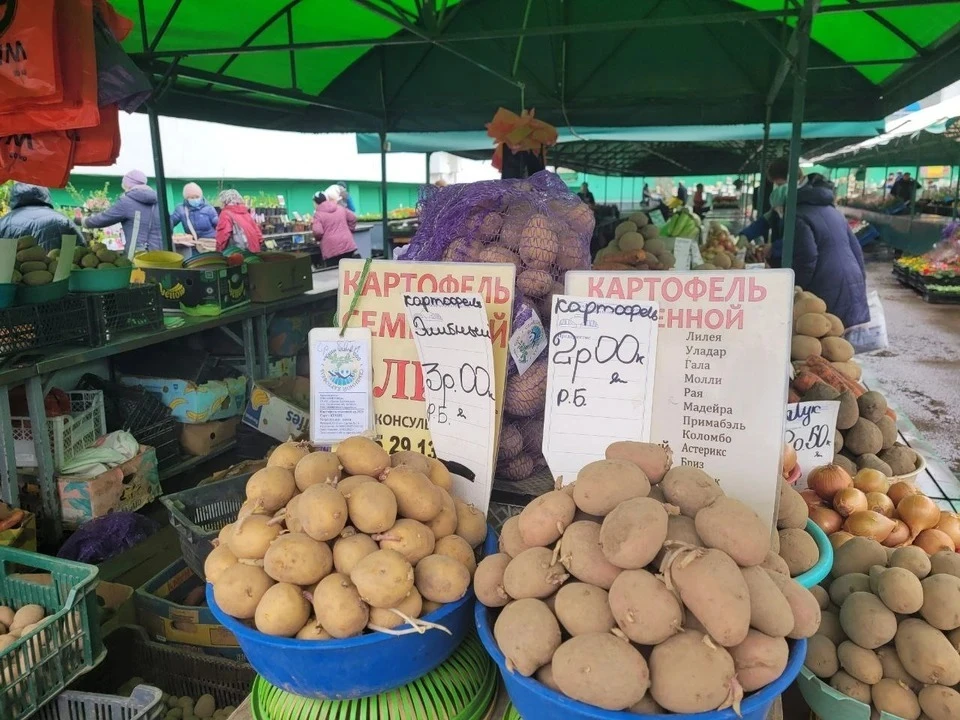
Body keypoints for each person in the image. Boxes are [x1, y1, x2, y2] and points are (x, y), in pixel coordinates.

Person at [771, 171, 868, 328]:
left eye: (778, 209)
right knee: (840, 340)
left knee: (825, 340)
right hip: (851, 282)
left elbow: (806, 258)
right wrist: (860, 284)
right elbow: (856, 250)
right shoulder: (834, 212)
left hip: (826, 286)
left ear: (785, 205)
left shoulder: (798, 217)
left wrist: (795, 289)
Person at [79, 170, 163, 251]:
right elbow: (169, 222)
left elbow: (104, 218)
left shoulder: (126, 202)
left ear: (127, 184)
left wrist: (82, 221)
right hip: (163, 253)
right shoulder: (160, 201)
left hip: (139, 254)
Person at [0, 183, 81, 251]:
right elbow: (81, 250)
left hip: (13, 270)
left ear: (15, 195)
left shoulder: (4, 222)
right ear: (45, 193)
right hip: (57, 269)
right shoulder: (63, 220)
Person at [312, 185, 358, 266]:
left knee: (334, 275)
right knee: (349, 272)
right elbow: (353, 218)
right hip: (347, 244)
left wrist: (318, 239)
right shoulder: (340, 208)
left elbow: (318, 231)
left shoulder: (318, 215)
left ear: (316, 203)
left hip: (331, 249)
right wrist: (349, 230)